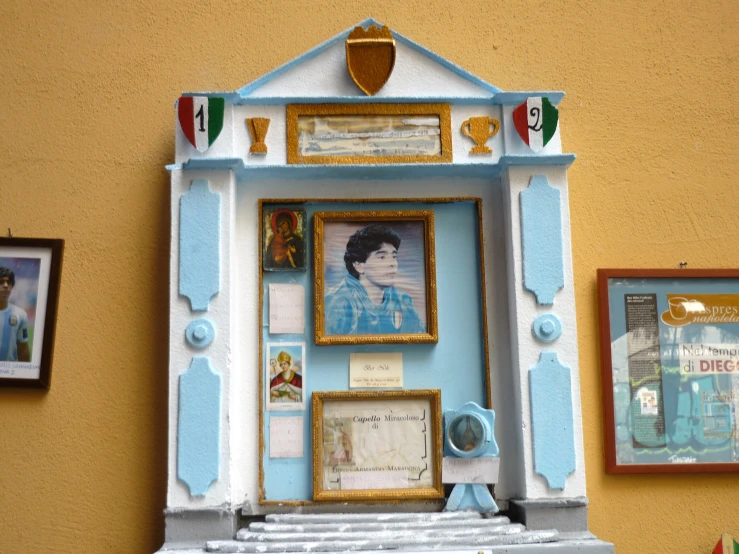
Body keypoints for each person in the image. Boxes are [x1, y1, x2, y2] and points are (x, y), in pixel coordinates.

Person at [324, 224, 423, 335]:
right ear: (359, 265)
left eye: (394, 257)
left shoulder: (403, 300)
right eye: (382, 257)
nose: (392, 264)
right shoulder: (338, 302)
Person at [0, 267, 30, 362]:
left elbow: (23, 347)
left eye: (8, 282)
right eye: (1, 282)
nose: (5, 285)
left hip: (10, 374)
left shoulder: (20, 314)